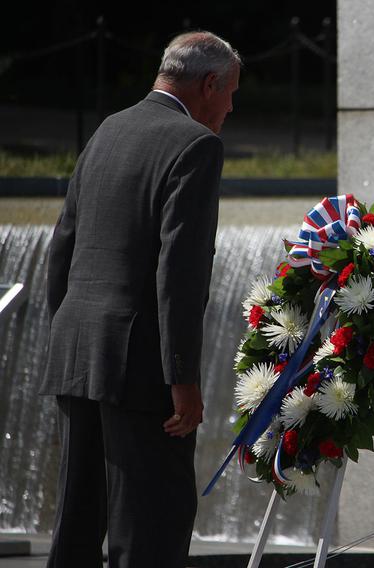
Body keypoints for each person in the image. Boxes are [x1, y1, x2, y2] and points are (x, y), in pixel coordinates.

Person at [40, 31, 240, 568]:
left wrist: (65, 344)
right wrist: (183, 381)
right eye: (230, 94)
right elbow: (179, 273)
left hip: (79, 356)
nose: (230, 107)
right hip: (140, 372)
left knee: (77, 528)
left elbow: (62, 245)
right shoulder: (196, 145)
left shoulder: (108, 129)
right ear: (208, 84)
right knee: (151, 531)